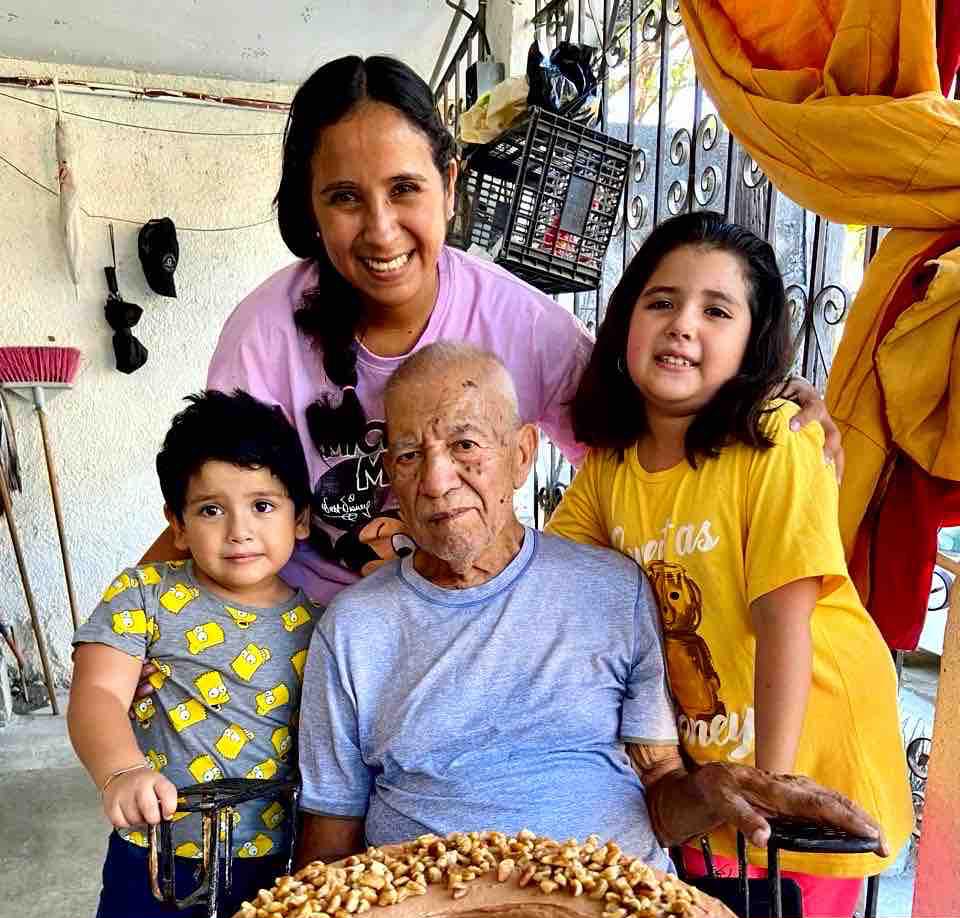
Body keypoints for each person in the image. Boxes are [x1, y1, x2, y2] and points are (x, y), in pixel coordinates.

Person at [140, 53, 838, 602]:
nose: (381, 230)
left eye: (404, 189)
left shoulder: (523, 326)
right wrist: (120, 633)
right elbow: (214, 504)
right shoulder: (264, 333)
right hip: (298, 634)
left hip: (467, 623)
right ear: (312, 210)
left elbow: (642, 441)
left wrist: (762, 402)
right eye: (345, 198)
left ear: (449, 185)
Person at [295, 341, 880, 873]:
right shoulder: (353, 628)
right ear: (389, 477)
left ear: (522, 454)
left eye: (465, 445)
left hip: (613, 907)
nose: (436, 480)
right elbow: (329, 837)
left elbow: (660, 789)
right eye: (408, 456)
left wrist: (716, 786)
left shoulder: (611, 590)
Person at [547, 212, 913, 918]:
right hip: (712, 777)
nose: (683, 325)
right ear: (625, 323)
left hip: (809, 760)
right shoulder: (611, 468)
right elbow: (548, 575)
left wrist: (774, 785)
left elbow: (783, 622)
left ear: (751, 345)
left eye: (717, 311)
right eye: (661, 302)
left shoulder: (776, 441)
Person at [69, 390, 318, 918]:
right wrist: (121, 771)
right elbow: (97, 691)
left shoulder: (324, 626)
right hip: (153, 854)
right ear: (177, 525)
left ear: (301, 518)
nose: (239, 531)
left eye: (263, 505)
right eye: (211, 510)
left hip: (274, 861)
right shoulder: (144, 594)